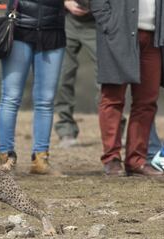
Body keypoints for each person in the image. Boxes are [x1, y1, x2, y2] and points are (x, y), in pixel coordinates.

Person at [91, 0, 164, 176]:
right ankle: (112, 159)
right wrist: (109, 24)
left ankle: (136, 160)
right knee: (113, 98)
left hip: (153, 38)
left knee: (146, 102)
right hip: (118, 34)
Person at [0, 0, 66, 174]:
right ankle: (6, 157)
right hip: (19, 27)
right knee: (10, 98)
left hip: (53, 31)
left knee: (46, 100)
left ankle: (41, 159)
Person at [54, 0, 96, 148]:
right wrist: (66, 2)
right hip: (67, 21)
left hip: (99, 21)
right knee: (62, 77)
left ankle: (115, 131)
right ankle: (66, 130)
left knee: (107, 78)